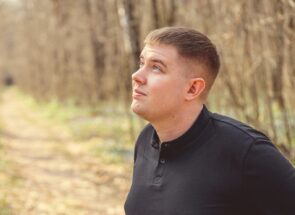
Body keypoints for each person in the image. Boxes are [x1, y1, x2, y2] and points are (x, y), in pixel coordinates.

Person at [124, 26, 295, 215]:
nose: (136, 76)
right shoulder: (146, 140)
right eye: (142, 64)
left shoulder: (245, 151)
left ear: (192, 89)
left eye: (156, 67)